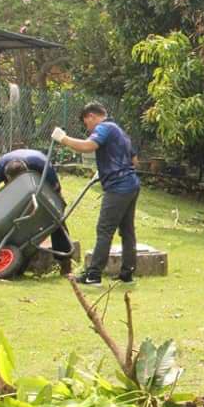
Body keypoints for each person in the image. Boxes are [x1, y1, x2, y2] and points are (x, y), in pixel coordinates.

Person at [52, 102, 141, 286]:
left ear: (91, 116)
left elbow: (88, 146)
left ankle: (93, 275)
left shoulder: (104, 128)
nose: (88, 128)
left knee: (104, 230)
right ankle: (127, 273)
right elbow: (134, 160)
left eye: (86, 124)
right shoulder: (119, 130)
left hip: (118, 187)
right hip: (131, 184)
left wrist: (64, 139)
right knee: (127, 231)